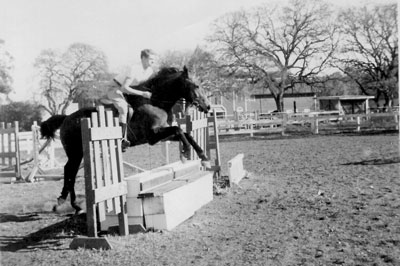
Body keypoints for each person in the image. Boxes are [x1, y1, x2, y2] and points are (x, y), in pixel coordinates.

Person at [103, 49, 156, 151]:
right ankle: (121, 139)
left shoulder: (150, 71)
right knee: (124, 109)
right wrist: (142, 94)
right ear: (143, 58)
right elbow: (124, 88)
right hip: (115, 88)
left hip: (128, 91)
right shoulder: (134, 69)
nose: (153, 62)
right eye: (151, 59)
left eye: (154, 59)